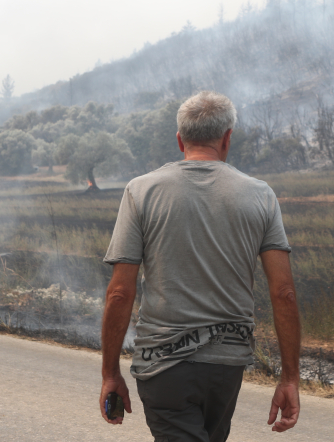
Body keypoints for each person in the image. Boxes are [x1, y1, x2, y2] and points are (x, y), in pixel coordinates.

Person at [98, 90, 301, 441]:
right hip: (227, 366)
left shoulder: (141, 191)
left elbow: (119, 293)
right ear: (227, 138)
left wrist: (110, 373)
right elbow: (283, 292)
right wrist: (289, 379)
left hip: (163, 366)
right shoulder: (260, 195)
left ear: (180, 140)